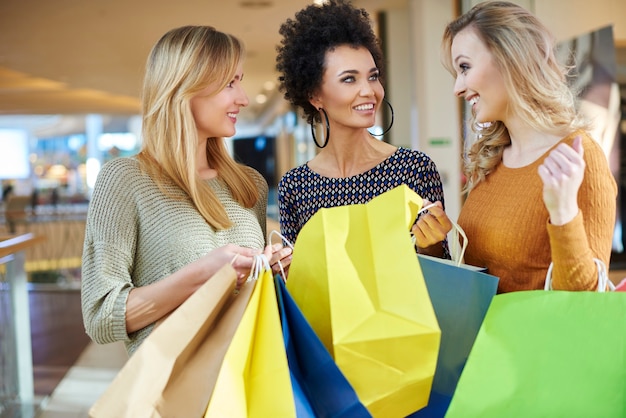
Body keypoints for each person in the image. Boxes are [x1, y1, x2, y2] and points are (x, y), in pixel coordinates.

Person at [81, 26, 292, 355]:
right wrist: (203, 275)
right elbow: (100, 316)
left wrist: (275, 271)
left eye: (240, 80)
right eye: (229, 83)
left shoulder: (248, 183)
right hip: (178, 392)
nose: (244, 98)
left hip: (252, 380)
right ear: (184, 87)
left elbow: (252, 297)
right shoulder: (124, 179)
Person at [436, 1, 617, 292]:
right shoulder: (492, 158)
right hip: (485, 337)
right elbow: (484, 273)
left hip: (536, 338)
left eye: (465, 67)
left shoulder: (578, 159)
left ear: (510, 59)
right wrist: (433, 243)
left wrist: (564, 213)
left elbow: (586, 301)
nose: (457, 87)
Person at [275, 0, 450, 258]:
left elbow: (442, 270)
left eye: (373, 76)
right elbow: (295, 284)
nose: (369, 91)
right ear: (314, 95)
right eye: (349, 79)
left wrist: (431, 243)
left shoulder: (414, 169)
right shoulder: (294, 187)